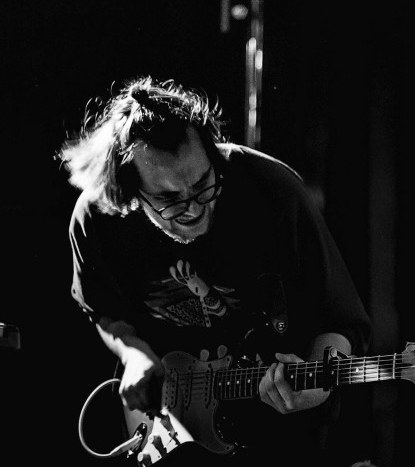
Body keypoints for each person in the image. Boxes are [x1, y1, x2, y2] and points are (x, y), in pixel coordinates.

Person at [59, 76, 371, 466]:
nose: (192, 208)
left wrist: (316, 387)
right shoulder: (97, 217)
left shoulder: (275, 191)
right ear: (129, 191)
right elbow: (102, 309)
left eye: (203, 184)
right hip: (172, 435)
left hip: (284, 436)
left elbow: (342, 322)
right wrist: (134, 354)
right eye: (168, 199)